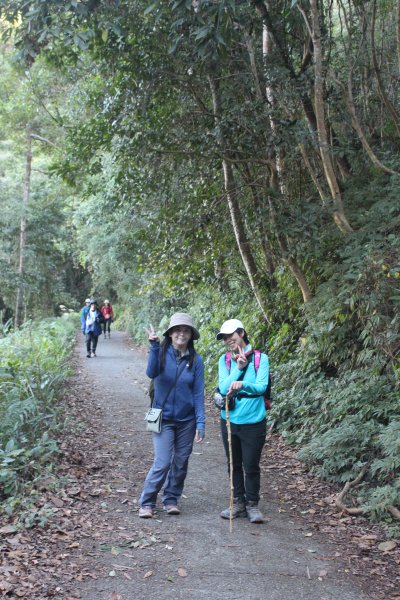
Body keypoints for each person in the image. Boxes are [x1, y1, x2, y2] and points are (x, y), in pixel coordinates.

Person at [138, 312, 205, 518]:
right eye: (178, 330)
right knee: (163, 461)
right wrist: (154, 346)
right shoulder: (160, 351)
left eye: (186, 331)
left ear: (190, 335)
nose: (181, 334)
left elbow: (198, 393)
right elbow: (151, 372)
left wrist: (200, 423)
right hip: (162, 417)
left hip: (187, 420)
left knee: (181, 462)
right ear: (171, 333)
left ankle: (171, 499)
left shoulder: (196, 360)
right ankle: (147, 502)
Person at [216, 318, 269, 523]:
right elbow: (223, 388)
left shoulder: (260, 359)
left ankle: (252, 504)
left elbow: (261, 386)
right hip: (229, 419)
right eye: (225, 337)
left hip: (254, 420)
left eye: (232, 335)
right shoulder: (225, 361)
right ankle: (238, 502)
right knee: (233, 463)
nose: (229, 339)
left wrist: (242, 384)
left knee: (251, 464)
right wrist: (238, 369)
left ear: (242, 332)